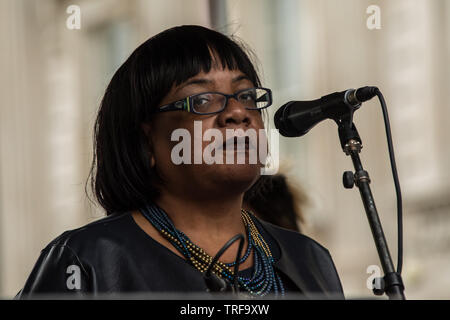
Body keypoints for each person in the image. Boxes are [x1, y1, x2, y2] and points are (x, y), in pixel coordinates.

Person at [15, 25, 343, 299]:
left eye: (246, 96)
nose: (238, 113)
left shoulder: (310, 260)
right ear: (147, 142)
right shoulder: (87, 260)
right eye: (202, 99)